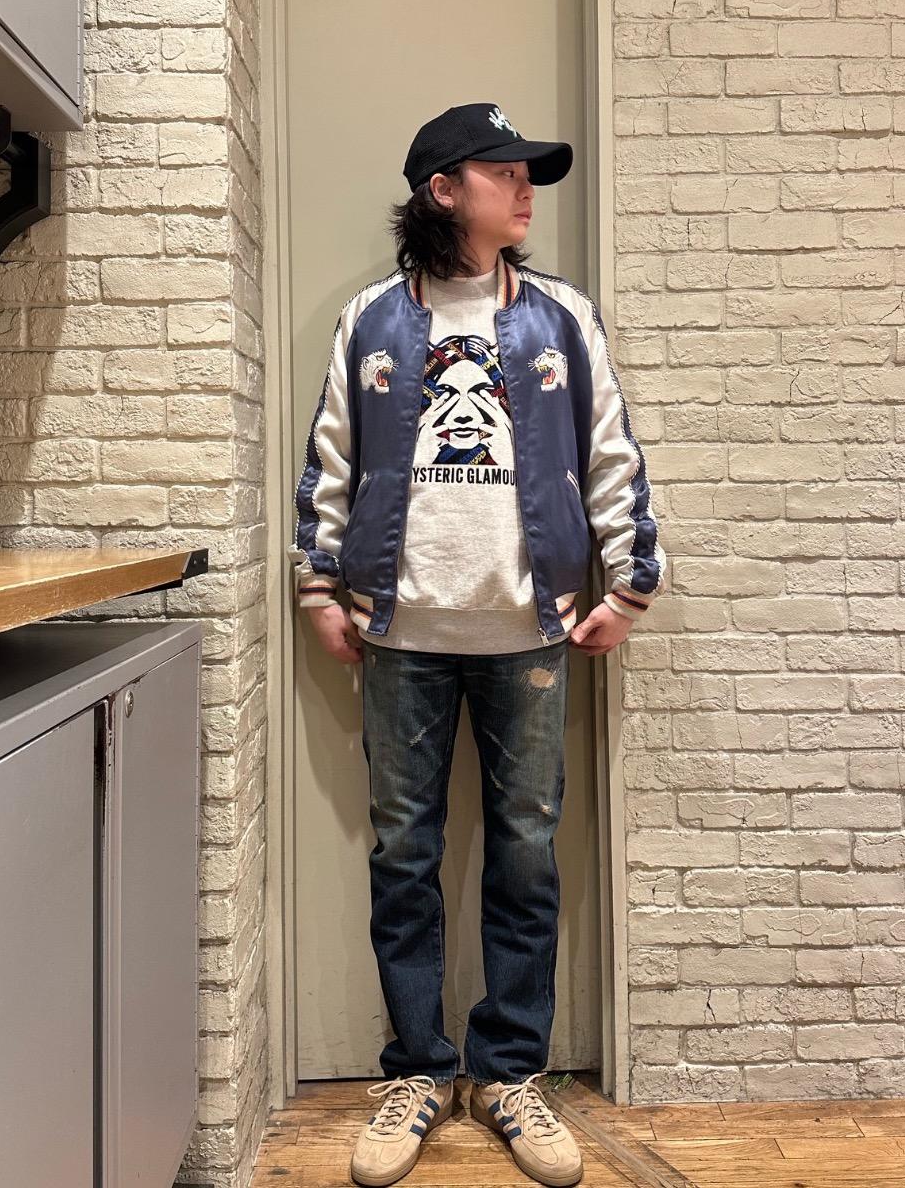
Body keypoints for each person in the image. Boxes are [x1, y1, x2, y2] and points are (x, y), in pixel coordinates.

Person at [287, 103, 667, 1188]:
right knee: (403, 854)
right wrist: (318, 584)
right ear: (444, 188)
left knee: (526, 853)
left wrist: (630, 581)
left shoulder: (560, 319)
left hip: (529, 630)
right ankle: (417, 1068)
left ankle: (508, 1074)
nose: (527, 189)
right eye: (506, 172)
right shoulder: (371, 321)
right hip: (399, 630)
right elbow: (331, 459)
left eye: (528, 174)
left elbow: (609, 453)